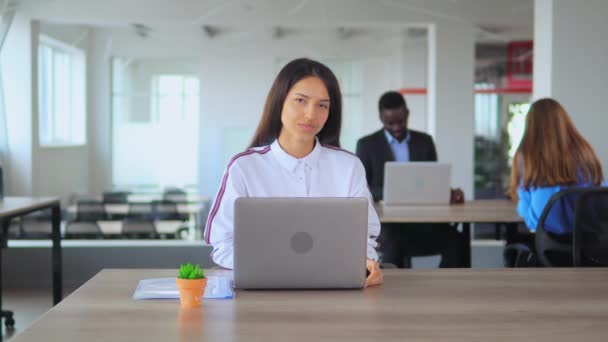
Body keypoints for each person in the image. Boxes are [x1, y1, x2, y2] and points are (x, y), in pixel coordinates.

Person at [204, 58, 383, 287]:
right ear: (279, 101)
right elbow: (221, 243)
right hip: (263, 292)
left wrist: (364, 263)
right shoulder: (243, 167)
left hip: (334, 290)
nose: (311, 114)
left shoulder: (348, 167)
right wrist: (271, 267)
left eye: (322, 105)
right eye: (301, 100)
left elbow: (367, 237)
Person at [356, 91, 463, 268]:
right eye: (390, 123)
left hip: (421, 221)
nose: (397, 127)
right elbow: (363, 188)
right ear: (381, 118)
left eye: (400, 121)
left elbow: (432, 180)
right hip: (387, 225)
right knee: (394, 243)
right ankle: (396, 295)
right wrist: (394, 192)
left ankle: (446, 290)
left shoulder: (425, 141)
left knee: (457, 240)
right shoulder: (367, 145)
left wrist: (448, 192)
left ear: (407, 114)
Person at [507, 97, 604, 239]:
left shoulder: (528, 158)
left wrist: (524, 200)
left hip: (551, 252)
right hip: (594, 249)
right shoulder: (586, 152)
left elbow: (535, 221)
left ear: (531, 127)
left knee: (513, 244)